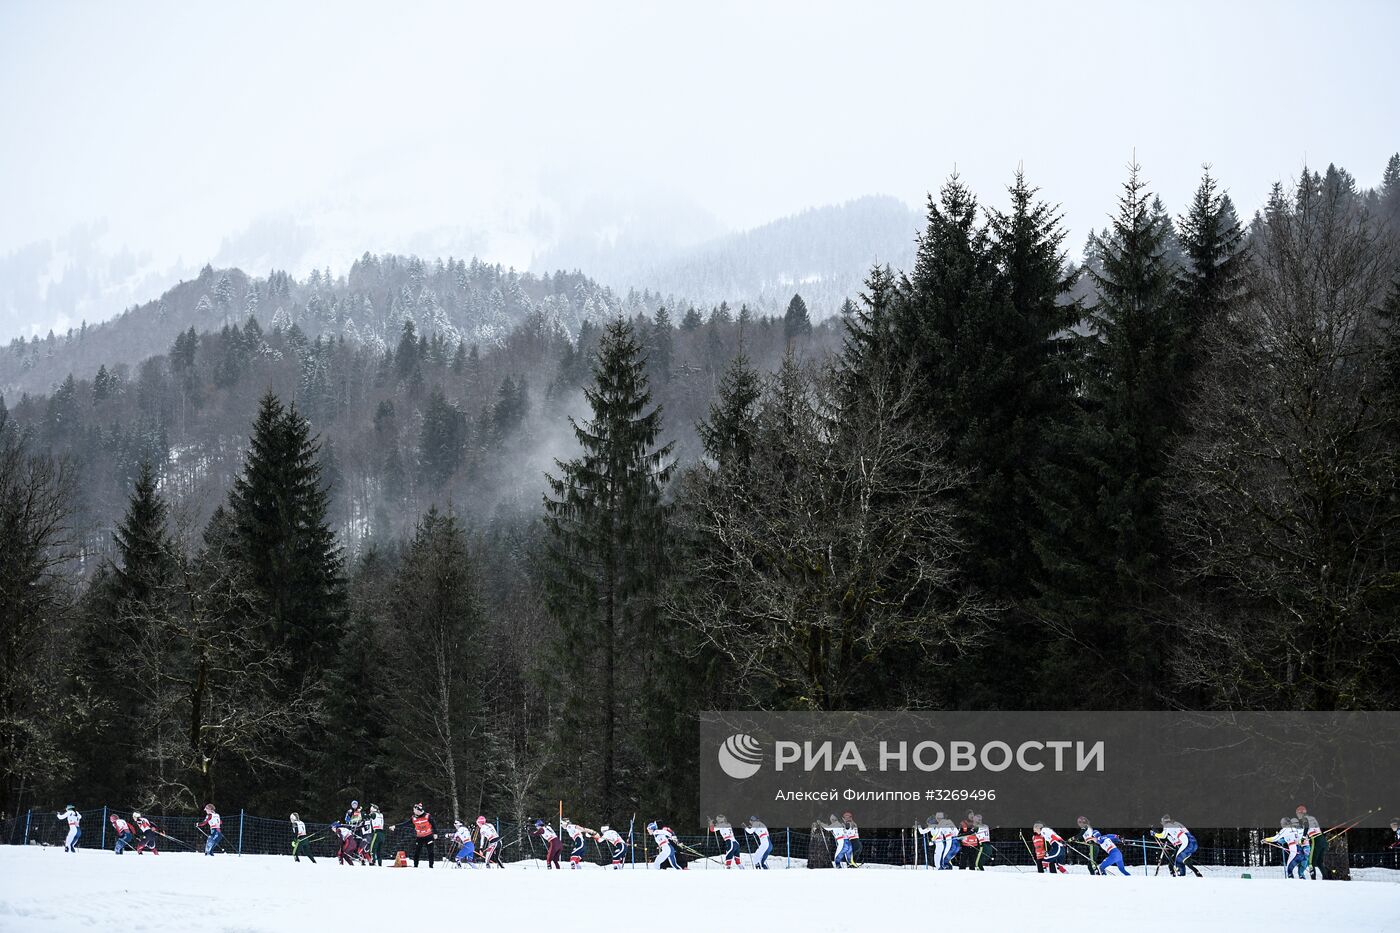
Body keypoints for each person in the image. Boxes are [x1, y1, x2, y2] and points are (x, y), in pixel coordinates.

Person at [390, 803, 437, 868]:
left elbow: (434, 824)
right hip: (419, 837)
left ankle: (431, 866)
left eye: (414, 810)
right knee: (417, 852)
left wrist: (435, 833)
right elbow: (405, 824)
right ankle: (415, 866)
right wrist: (395, 826)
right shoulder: (413, 817)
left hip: (428, 836)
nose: (413, 811)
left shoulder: (427, 816)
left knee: (430, 852)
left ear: (418, 810)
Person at [1296, 805, 1327, 880]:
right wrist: (1306, 837)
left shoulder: (1305, 818)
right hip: (1322, 840)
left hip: (1315, 840)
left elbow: (1306, 827)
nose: (1297, 815)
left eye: (1298, 813)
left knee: (1310, 862)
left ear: (1301, 813)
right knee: (1319, 862)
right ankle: (1326, 878)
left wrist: (1303, 838)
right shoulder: (1312, 818)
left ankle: (1313, 880)